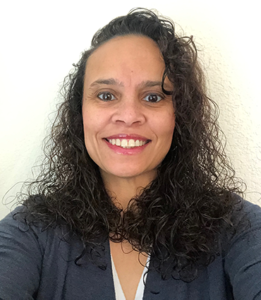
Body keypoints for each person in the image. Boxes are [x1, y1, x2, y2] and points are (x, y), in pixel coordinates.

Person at [0, 8, 261, 300]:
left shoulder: (237, 228)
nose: (128, 116)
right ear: (79, 112)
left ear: (180, 114)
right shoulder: (31, 231)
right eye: (106, 95)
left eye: (153, 97)